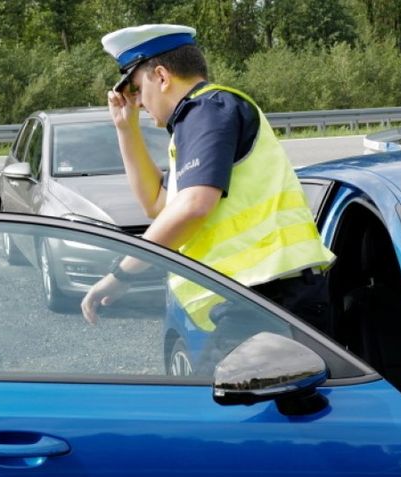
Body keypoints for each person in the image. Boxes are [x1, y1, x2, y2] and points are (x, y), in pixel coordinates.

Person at [81, 24, 336, 338]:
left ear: (161, 76)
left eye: (136, 88)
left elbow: (194, 206)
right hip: (259, 300)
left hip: (269, 299)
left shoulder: (206, 109)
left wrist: (121, 273)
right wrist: (126, 130)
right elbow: (157, 206)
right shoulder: (199, 119)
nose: (138, 101)